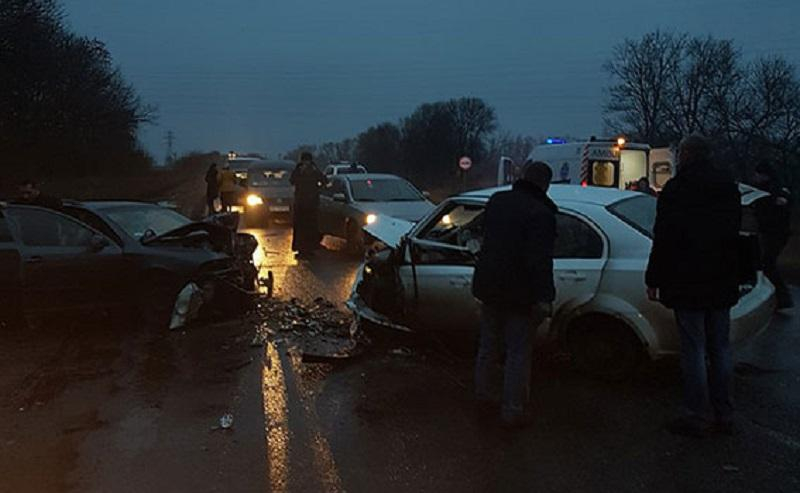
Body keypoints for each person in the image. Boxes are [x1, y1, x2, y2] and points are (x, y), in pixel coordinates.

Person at [645, 135, 741, 437]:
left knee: (694, 350)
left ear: (686, 155)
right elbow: (735, 233)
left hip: (687, 280)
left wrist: (654, 279)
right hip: (721, 278)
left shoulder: (676, 189)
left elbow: (664, 238)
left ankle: (697, 415)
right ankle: (725, 413)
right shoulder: (727, 185)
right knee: (721, 349)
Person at [472, 161, 557, 428]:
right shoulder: (541, 213)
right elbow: (540, 261)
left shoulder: (497, 200)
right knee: (518, 353)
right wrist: (545, 296)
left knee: (488, 346)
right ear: (544, 185)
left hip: (489, 288)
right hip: (520, 294)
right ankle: (512, 410)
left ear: (522, 177)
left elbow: (478, 233)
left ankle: (483, 397)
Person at [752, 161, 793, 309]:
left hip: (775, 232)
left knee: (767, 263)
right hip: (770, 231)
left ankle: (782, 297)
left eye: (757, 174)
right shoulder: (765, 190)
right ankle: (780, 298)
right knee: (766, 263)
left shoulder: (774, 190)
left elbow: (785, 199)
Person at [290, 152, 325, 257]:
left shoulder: (314, 170)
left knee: (309, 227)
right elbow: (292, 180)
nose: (306, 163)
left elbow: (323, 180)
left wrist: (316, 190)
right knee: (303, 227)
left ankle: (309, 249)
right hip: (303, 204)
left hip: (309, 204)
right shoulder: (300, 170)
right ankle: (303, 249)